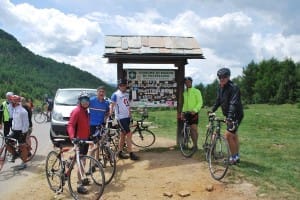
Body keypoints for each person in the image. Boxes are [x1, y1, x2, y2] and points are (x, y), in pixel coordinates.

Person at [210, 67, 244, 165]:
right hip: (230, 114)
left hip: (236, 114)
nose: (222, 79)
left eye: (224, 77)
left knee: (228, 135)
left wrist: (229, 117)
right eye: (220, 77)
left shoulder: (234, 87)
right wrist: (212, 110)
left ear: (228, 77)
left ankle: (233, 158)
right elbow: (218, 100)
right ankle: (236, 157)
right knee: (234, 135)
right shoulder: (220, 87)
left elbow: (233, 103)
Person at [67, 92, 91, 194]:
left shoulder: (86, 111)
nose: (85, 102)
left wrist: (91, 135)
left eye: (87, 100)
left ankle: (71, 161)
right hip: (78, 140)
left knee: (83, 160)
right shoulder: (76, 111)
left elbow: (86, 125)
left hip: (85, 139)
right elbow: (70, 125)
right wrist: (73, 138)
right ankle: (79, 184)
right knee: (81, 162)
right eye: (83, 100)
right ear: (80, 101)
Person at [110, 79, 139, 161]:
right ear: (119, 86)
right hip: (120, 118)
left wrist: (130, 114)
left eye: (124, 85)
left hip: (127, 117)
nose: (123, 86)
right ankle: (131, 153)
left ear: (126, 86)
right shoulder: (115, 94)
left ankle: (119, 152)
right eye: (121, 85)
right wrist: (110, 114)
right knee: (129, 134)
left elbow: (128, 105)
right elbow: (112, 106)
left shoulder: (127, 94)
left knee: (123, 135)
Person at [6, 95, 29, 170]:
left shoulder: (23, 111)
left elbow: (26, 123)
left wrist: (23, 133)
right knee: (7, 142)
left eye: (12, 101)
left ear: (16, 102)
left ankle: (24, 163)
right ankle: (15, 154)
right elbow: (13, 121)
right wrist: (11, 130)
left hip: (21, 131)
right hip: (14, 130)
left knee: (22, 146)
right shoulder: (14, 109)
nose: (11, 102)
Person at [181, 77, 203, 150]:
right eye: (186, 83)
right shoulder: (184, 93)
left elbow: (200, 102)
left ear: (191, 82)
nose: (187, 83)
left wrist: (195, 110)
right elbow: (184, 104)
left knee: (193, 129)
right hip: (186, 113)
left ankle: (195, 145)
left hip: (194, 113)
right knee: (186, 129)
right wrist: (182, 112)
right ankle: (185, 143)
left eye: (188, 82)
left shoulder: (196, 91)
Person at [89, 86, 110, 160]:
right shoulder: (91, 100)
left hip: (100, 125)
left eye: (103, 92)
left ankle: (96, 159)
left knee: (97, 143)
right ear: (97, 92)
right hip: (91, 125)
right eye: (100, 91)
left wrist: (105, 119)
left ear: (105, 93)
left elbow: (107, 113)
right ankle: (92, 161)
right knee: (93, 143)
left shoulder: (106, 103)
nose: (101, 93)